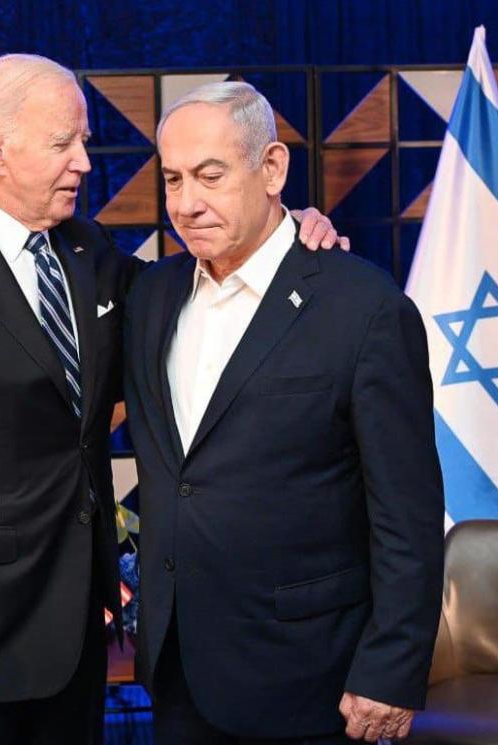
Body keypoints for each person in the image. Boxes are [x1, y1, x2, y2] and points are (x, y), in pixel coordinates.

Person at [0, 55, 344, 744]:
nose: (85, 161)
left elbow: (193, 290)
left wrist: (285, 231)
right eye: (63, 143)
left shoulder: (87, 250)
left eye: (82, 141)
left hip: (77, 634)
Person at [124, 81, 445, 744]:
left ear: (272, 168)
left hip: (310, 679)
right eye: (174, 179)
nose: (187, 203)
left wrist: (391, 667)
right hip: (177, 668)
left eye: (211, 176)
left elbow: (406, 514)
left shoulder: (364, 308)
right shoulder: (149, 296)